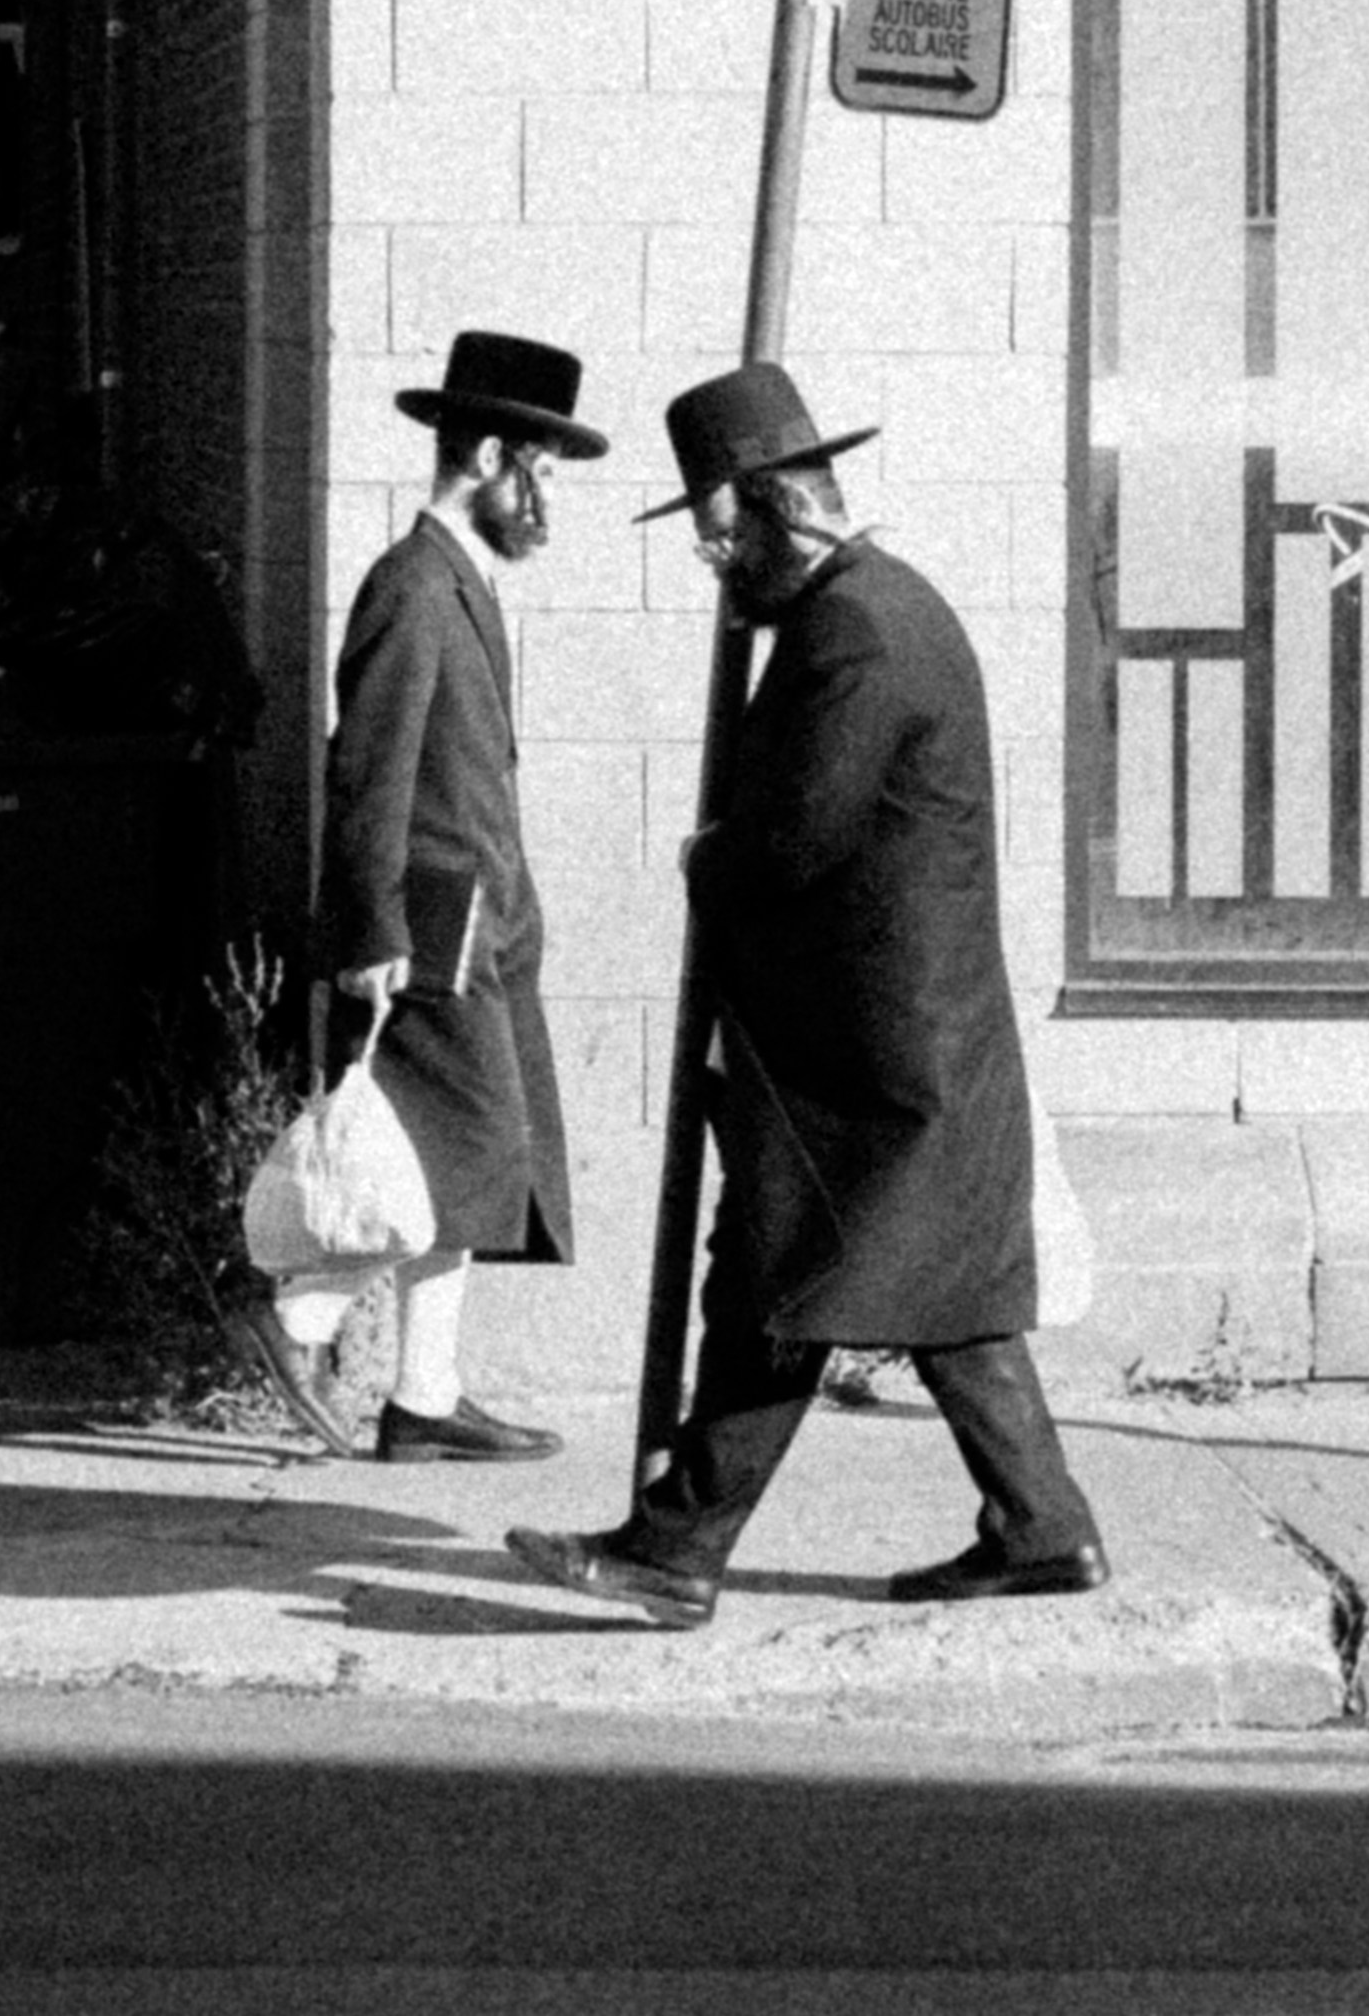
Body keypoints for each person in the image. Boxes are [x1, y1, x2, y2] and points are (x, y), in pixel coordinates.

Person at [508, 360, 1106, 1627]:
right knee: (941, 1299)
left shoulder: (857, 629)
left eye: (723, 537)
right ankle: (1042, 1527)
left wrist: (702, 858)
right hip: (907, 1047)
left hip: (871, 1064)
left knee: (778, 1283)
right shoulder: (884, 608)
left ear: (778, 508)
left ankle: (677, 1551)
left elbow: (793, 837)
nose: (717, 565)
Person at [231, 329, 607, 1465]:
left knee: (474, 1159)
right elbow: (367, 770)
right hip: (424, 936)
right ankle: (292, 1319)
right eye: (539, 469)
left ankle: (425, 1402)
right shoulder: (413, 585)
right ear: (487, 454)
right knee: (465, 1152)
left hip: (478, 928)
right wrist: (372, 932)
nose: (549, 497)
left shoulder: (461, 582)